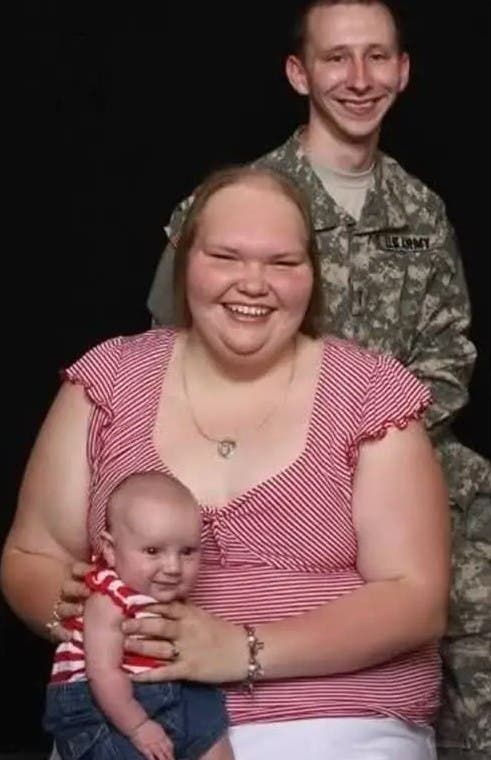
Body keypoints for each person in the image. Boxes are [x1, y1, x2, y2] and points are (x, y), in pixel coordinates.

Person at [2, 165, 449, 759]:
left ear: (312, 276)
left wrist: (243, 649)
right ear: (185, 262)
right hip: (131, 719)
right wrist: (100, 621)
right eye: (225, 257)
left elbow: (415, 597)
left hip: (332, 715)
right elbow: (32, 555)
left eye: (283, 262)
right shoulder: (108, 379)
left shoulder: (370, 392)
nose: (253, 283)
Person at [145, 2, 491, 757]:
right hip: (261, 464)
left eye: (377, 57)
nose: (358, 79)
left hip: (410, 466)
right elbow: (172, 344)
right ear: (299, 73)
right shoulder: (235, 204)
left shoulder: (421, 211)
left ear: (403, 71)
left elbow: (449, 354)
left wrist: (375, 448)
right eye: (336, 58)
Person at [43, 470, 233, 760]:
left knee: (210, 723)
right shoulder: (107, 599)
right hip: (105, 699)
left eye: (187, 552)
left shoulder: (166, 594)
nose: (173, 567)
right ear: (110, 549)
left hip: (172, 688)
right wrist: (138, 727)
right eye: (153, 551)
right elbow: (103, 672)